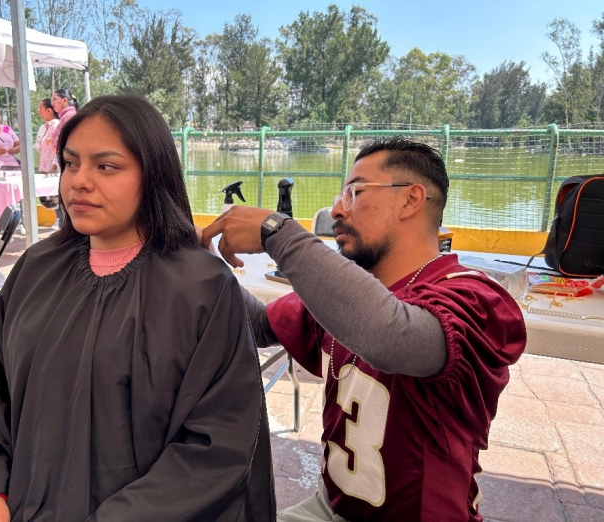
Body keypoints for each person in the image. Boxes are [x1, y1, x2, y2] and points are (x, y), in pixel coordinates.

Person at [0, 95, 275, 522]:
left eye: (106, 166)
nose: (79, 181)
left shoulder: (202, 289)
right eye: (70, 163)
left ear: (153, 174)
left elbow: (218, 445)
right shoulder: (35, 269)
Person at [203, 137, 527, 522]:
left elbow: (391, 337)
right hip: (331, 504)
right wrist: (197, 265)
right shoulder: (350, 294)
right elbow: (258, 325)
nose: (337, 210)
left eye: (354, 192)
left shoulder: (474, 296)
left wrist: (277, 232)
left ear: (410, 199)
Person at [50, 88, 79, 227]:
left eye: (55, 99)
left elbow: (67, 143)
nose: (52, 103)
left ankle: (66, 226)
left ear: (65, 100)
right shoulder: (65, 117)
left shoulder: (69, 117)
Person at [33, 97, 60, 173]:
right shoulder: (43, 127)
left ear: (49, 111)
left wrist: (54, 166)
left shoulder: (57, 126)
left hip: (53, 170)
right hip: (44, 169)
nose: (39, 111)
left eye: (40, 108)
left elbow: (59, 149)